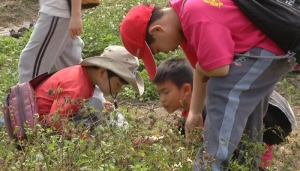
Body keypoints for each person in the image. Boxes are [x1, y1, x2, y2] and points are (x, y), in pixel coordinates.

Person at [119, 1, 298, 170]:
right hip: (268, 49)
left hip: (267, 48)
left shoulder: (194, 13)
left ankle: (211, 165)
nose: (166, 52)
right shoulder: (186, 16)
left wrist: (203, 68)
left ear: (157, 30)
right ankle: (248, 163)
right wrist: (195, 113)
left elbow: (218, 69)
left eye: (157, 50)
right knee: (247, 104)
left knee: (222, 91)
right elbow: (202, 71)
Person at [133, 58, 297, 170]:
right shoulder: (192, 112)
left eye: (165, 92)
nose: (162, 99)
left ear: (186, 90)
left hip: (251, 161)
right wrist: (154, 140)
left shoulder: (210, 109)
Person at [17, 0, 107, 115]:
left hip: (59, 10)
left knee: (30, 63)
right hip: (61, 10)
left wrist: (76, 15)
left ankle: (22, 117)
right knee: (73, 67)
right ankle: (98, 106)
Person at [34, 45, 144, 134]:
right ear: (102, 72)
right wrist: (83, 138)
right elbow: (54, 121)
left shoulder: (83, 76)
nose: (118, 90)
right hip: (38, 128)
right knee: (96, 130)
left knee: (95, 106)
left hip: (44, 121)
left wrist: (95, 107)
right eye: (118, 84)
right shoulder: (77, 87)